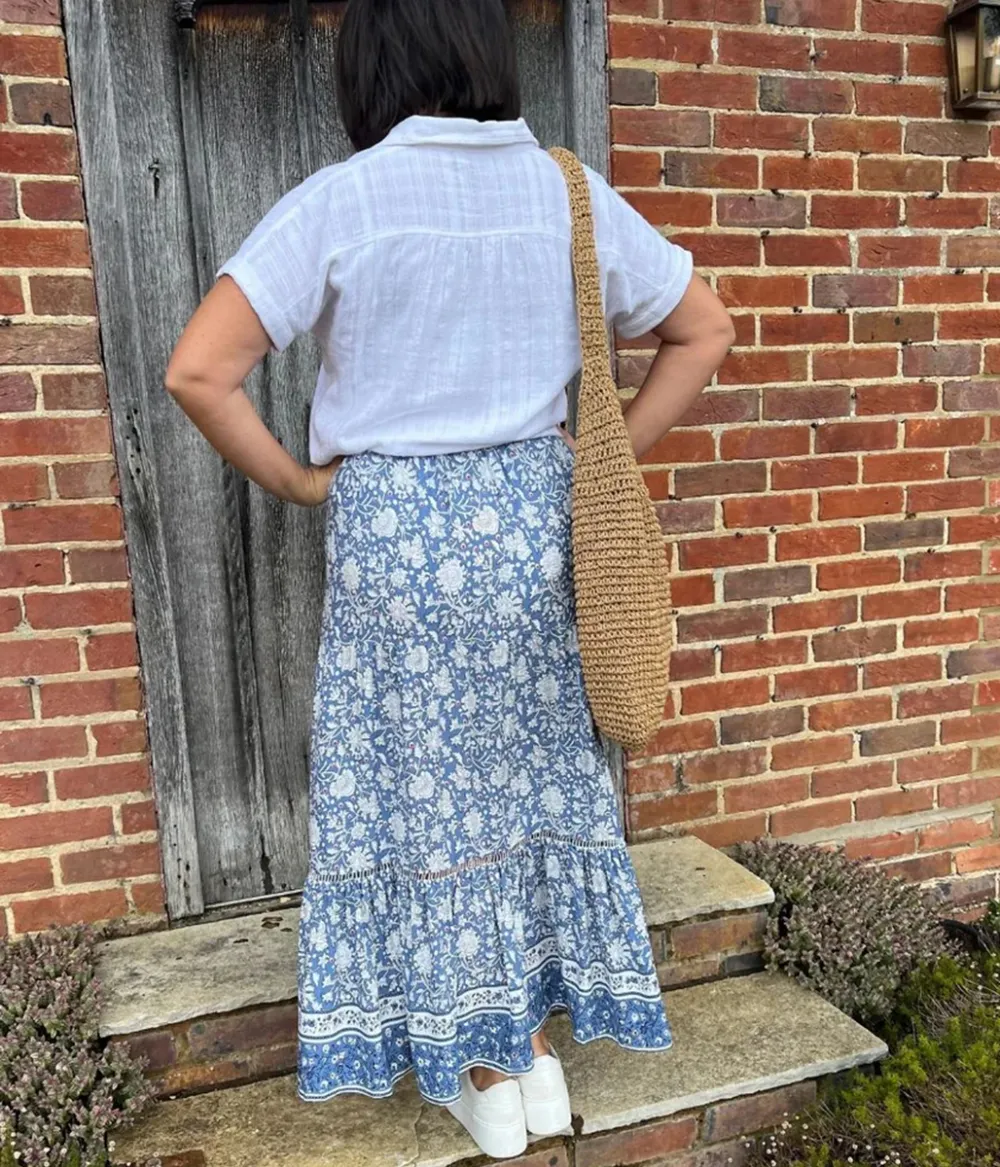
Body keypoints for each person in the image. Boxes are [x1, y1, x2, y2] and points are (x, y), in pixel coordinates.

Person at [164, 0, 735, 1158]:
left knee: (424, 800)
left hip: (398, 545)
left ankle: (486, 1071)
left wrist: (295, 482)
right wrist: (598, 445)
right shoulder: (564, 191)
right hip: (534, 532)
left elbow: (197, 371)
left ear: (371, 64)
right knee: (533, 789)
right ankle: (526, 1055)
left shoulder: (344, 199)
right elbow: (704, 330)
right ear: (486, 52)